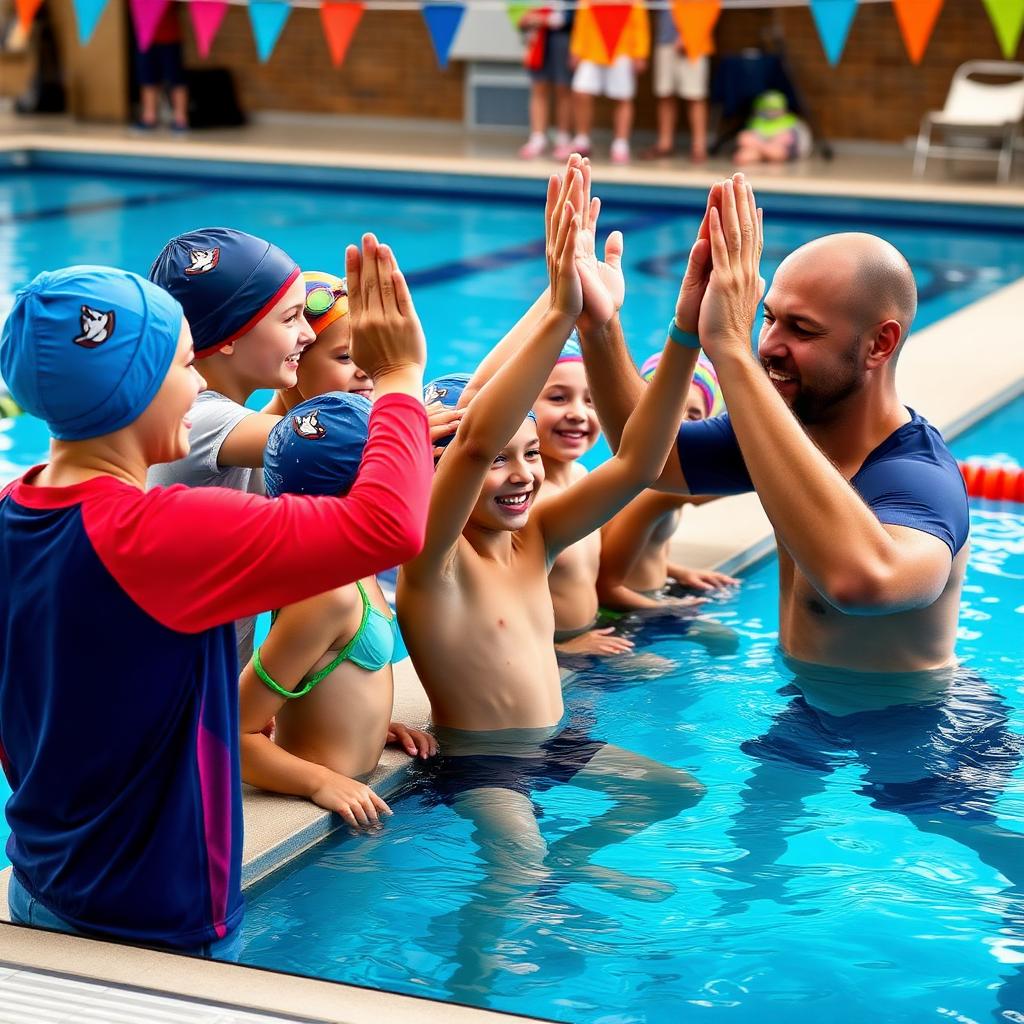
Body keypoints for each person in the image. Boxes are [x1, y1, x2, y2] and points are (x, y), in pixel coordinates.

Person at [0, 241, 431, 956]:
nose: (194, 390)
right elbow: (388, 526)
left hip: (44, 878)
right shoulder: (162, 534)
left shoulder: (16, 511)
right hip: (148, 913)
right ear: (135, 386)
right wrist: (399, 377)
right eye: (181, 368)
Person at [397, 165, 704, 934]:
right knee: (516, 883)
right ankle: (470, 984)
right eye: (503, 457)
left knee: (677, 791)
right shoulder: (433, 562)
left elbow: (637, 461)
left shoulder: (533, 539)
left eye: (530, 455)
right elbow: (468, 445)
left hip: (555, 740)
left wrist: (677, 332)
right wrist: (560, 306)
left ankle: (571, 865)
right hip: (483, 764)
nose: (522, 475)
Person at [579, 170, 969, 675]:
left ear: (880, 344)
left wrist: (731, 351)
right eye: (767, 318)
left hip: (909, 733)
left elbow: (862, 584)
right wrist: (607, 326)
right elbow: (654, 457)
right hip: (804, 711)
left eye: (801, 329)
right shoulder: (793, 430)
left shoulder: (917, 479)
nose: (768, 346)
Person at [239, 393, 436, 831]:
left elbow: (325, 673)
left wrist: (369, 724)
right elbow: (231, 736)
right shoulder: (329, 592)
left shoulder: (349, 567)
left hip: (361, 789)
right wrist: (319, 781)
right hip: (331, 810)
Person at [147, 226, 313, 664]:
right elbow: (339, 441)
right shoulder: (198, 422)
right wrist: (398, 371)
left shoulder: (225, 423)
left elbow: (285, 416)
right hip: (181, 715)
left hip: (203, 698)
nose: (309, 335)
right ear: (231, 335)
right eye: (290, 318)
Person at [598, 352, 738, 609]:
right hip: (625, 614)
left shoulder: (660, 486)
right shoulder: (648, 494)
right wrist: (668, 610)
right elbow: (606, 586)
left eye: (694, 416)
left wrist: (678, 572)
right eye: (671, 408)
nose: (680, 424)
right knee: (722, 640)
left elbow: (638, 551)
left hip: (646, 596)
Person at [567, 1, 650, 164]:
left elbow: (640, 23)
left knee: (623, 97)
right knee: (580, 91)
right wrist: (576, 50)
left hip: (622, 50)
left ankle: (620, 144)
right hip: (591, 49)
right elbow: (582, 18)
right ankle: (582, 140)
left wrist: (640, 52)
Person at [642, 7, 709, 163]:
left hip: (693, 41)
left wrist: (689, 35)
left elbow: (708, 7)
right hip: (665, 39)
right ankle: (665, 143)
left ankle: (699, 146)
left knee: (694, 94)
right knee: (665, 93)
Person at [517, 3, 575, 160]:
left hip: (563, 38)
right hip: (538, 38)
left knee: (563, 89)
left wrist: (544, 19)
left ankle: (563, 137)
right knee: (538, 88)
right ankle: (537, 137)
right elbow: (521, 15)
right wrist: (527, 19)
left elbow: (571, 15)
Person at [133, 1, 189, 132]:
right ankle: (149, 117)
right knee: (147, 78)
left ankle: (181, 118)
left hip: (170, 38)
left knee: (177, 79)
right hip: (145, 38)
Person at [733, 90, 812, 166]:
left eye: (774, 109)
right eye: (766, 109)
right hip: (762, 149)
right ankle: (762, 154)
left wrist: (758, 145)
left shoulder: (791, 122)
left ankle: (761, 154)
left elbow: (785, 147)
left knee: (779, 146)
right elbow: (745, 139)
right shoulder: (757, 121)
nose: (770, 113)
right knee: (745, 147)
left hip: (783, 151)